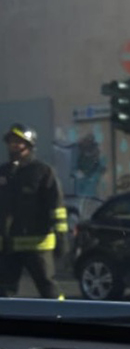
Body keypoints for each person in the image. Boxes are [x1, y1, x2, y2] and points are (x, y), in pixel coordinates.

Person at [0, 123, 68, 299]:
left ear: (29, 145)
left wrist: (61, 236)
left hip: (38, 245)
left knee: (48, 288)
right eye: (11, 141)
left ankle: (61, 319)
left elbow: (57, 207)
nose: (13, 145)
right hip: (9, 245)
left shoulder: (43, 171)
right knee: (5, 290)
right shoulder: (4, 173)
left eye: (18, 141)